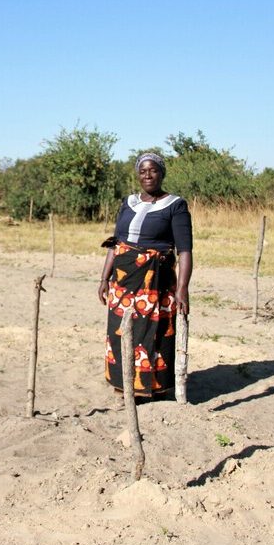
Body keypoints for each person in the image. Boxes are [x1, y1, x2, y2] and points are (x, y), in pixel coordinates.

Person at [98, 152, 193, 399]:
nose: (147, 175)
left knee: (151, 332)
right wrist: (103, 278)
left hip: (154, 282)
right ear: (138, 175)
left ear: (162, 173)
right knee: (120, 330)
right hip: (122, 281)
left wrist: (182, 288)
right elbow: (115, 243)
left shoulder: (175, 205)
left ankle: (148, 388)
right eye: (143, 171)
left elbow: (184, 251)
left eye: (153, 170)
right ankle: (123, 384)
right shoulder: (128, 202)